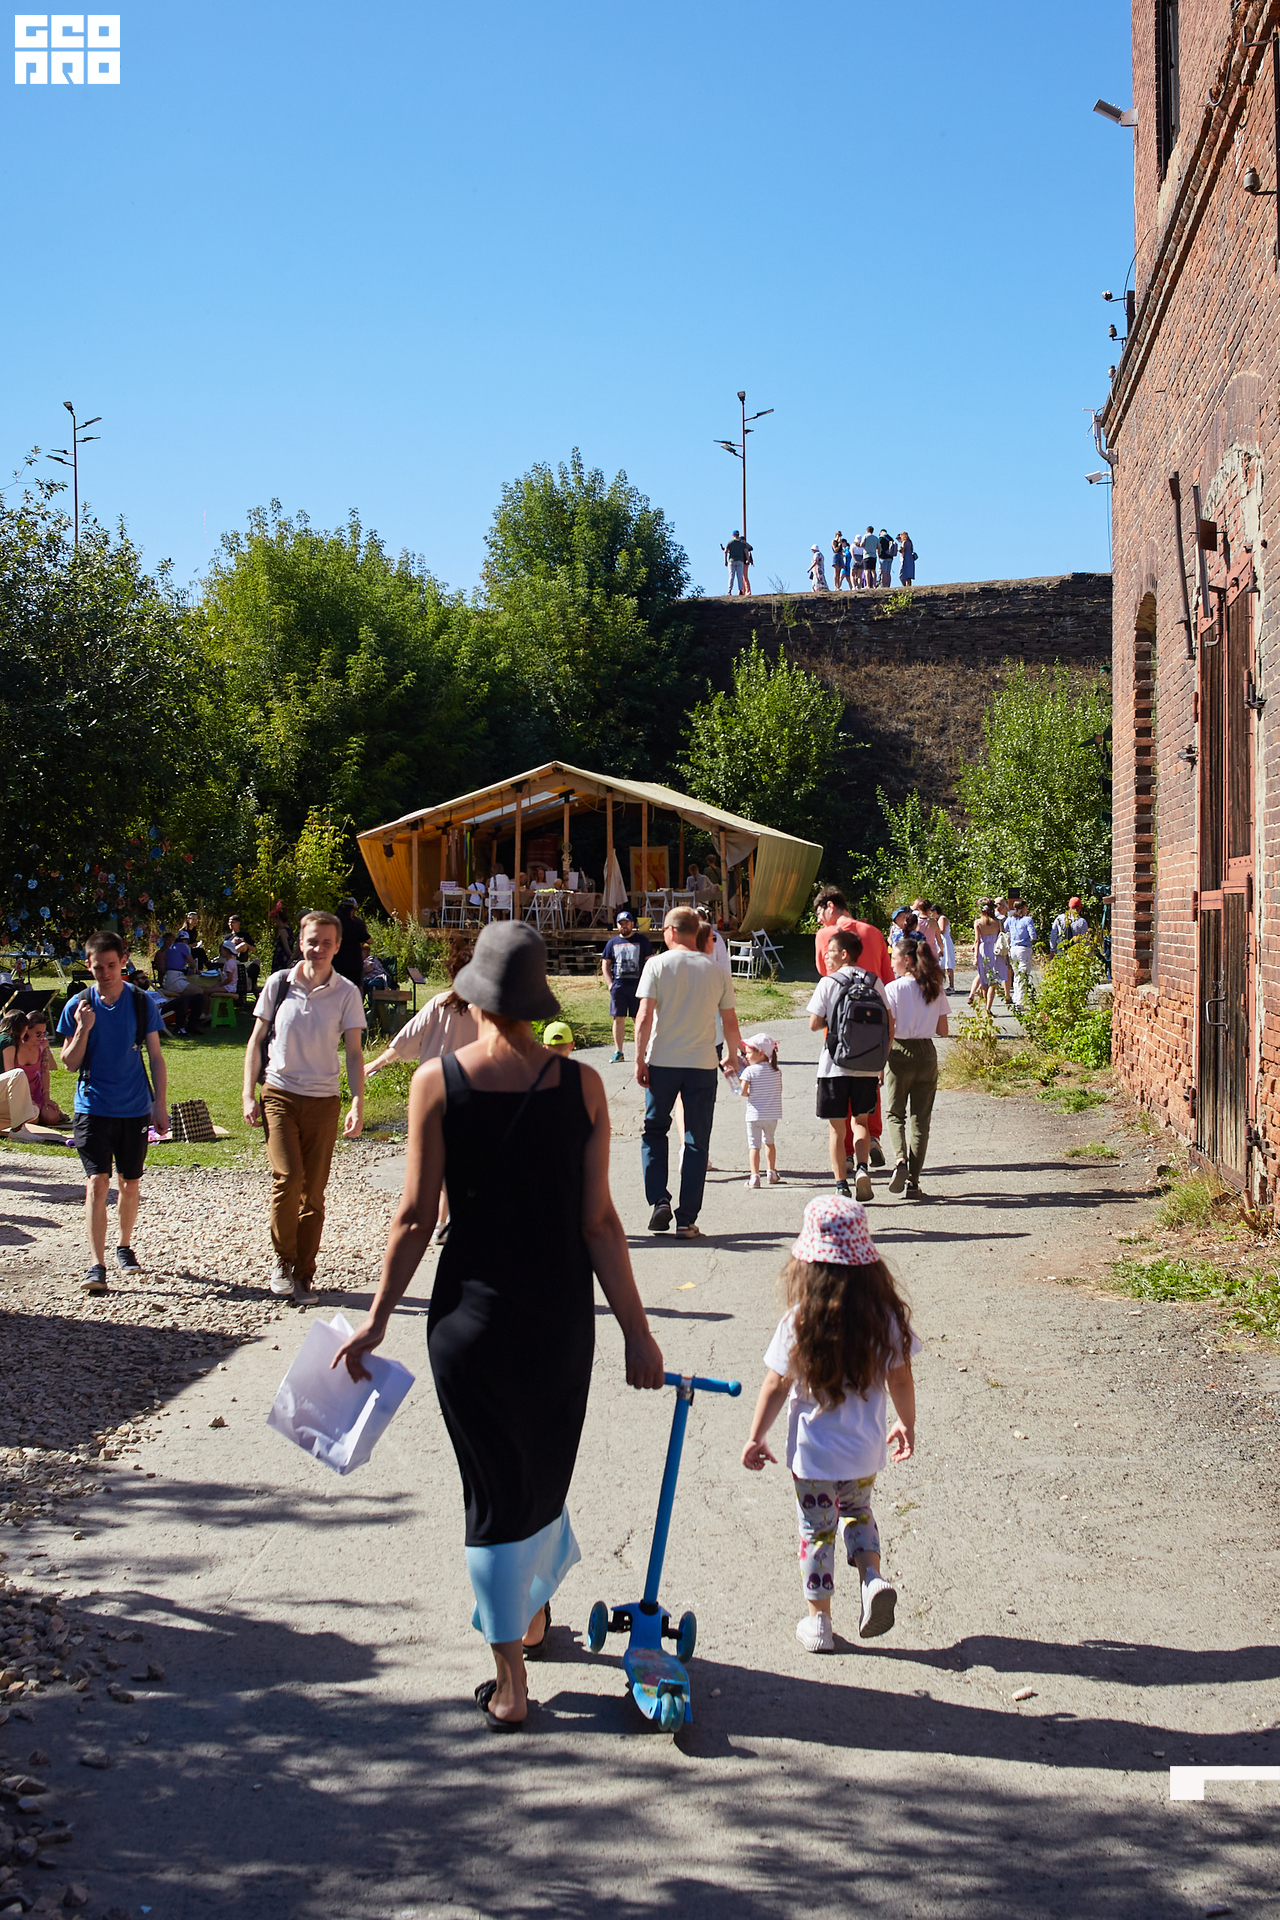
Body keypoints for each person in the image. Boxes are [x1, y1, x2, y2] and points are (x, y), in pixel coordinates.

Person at [332, 921, 665, 1730]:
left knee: (492, 1489)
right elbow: (600, 1225)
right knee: (541, 1474)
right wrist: (637, 1330)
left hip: (469, 1323)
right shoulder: (584, 1086)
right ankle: (534, 1611)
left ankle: (511, 1679)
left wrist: (377, 1318)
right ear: (535, 1000)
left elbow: (414, 1219)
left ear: (470, 998)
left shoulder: (437, 1084)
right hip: (560, 1321)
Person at [741, 1196, 918, 1653]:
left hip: (814, 1457)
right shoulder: (885, 1318)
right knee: (858, 1513)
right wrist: (906, 1423)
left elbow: (776, 1384)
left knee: (816, 1531)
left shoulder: (800, 1321)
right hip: (863, 1452)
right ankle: (872, 1577)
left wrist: (756, 1436)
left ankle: (819, 1622)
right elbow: (900, 1376)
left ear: (807, 1265)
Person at [242, 909, 366, 1301]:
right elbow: (255, 1039)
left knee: (313, 1192)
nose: (318, 949)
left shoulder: (347, 992)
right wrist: (249, 1092)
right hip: (279, 1093)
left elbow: (354, 1053)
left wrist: (357, 1102)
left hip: (324, 1100)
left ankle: (304, 1272)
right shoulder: (279, 984)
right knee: (288, 1178)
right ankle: (283, 1259)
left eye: (327, 942)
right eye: (312, 941)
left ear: (338, 946)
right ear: (300, 942)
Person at [56, 930, 168, 1296]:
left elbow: (155, 1056)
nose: (105, 972)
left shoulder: (140, 1002)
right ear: (88, 966)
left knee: (129, 1184)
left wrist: (159, 1104)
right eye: (97, 966)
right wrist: (83, 1030)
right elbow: (69, 1063)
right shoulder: (78, 1005)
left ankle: (124, 1245)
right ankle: (96, 1263)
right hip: (92, 1106)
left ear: (123, 961)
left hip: (134, 1106)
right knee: (96, 1183)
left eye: (111, 965)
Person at [634, 905, 744, 1238]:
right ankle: (686, 1219)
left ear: (669, 931)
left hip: (663, 1060)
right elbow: (730, 1022)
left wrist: (639, 1059)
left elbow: (644, 1017)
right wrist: (734, 1057)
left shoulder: (656, 964)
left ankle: (659, 1201)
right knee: (697, 1140)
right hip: (702, 1063)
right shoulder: (716, 970)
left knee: (654, 1131)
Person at [807, 927, 894, 1203]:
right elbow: (888, 1023)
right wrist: (881, 1060)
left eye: (830, 951)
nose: (826, 955)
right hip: (868, 1064)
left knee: (837, 1128)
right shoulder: (874, 981)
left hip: (835, 1066)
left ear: (844, 954)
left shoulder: (829, 982)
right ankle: (862, 1168)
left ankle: (841, 1183)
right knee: (861, 1122)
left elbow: (814, 1023)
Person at [812, 886, 890, 1168]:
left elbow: (826, 976)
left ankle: (846, 1152)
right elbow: (889, 979)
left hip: (839, 1025)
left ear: (830, 906)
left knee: (840, 1083)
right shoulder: (875, 933)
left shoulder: (827, 936)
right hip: (875, 1024)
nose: (820, 921)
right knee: (870, 1079)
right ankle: (873, 1138)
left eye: (819, 913)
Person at [883, 935, 949, 1199]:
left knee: (894, 1113)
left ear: (906, 960)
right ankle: (914, 1181)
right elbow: (943, 1030)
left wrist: (880, 1063)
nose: (891, 963)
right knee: (920, 1119)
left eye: (894, 958)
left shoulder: (893, 989)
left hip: (899, 1050)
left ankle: (900, 1160)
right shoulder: (934, 987)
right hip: (926, 1053)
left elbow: (889, 1030)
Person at [601, 909, 652, 1064]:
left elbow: (649, 961)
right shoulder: (612, 943)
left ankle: (642, 1051)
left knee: (639, 1019)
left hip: (638, 986)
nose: (624, 926)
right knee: (618, 1018)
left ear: (632, 924)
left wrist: (648, 983)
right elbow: (605, 963)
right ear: (618, 925)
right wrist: (610, 984)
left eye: (627, 923)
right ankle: (619, 1051)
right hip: (619, 986)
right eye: (621, 924)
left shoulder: (642, 940)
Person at [1, 1007, 68, 1125]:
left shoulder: (43, 1045)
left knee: (51, 1118)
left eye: (44, 1033)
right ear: (26, 1029)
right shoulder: (13, 1045)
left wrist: (46, 1097)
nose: (42, 1037)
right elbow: (10, 1074)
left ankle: (41, 1112)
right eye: (38, 1034)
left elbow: (45, 1071)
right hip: (18, 1091)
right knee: (33, 1119)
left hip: (35, 1089)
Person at [739, 1029, 783, 1188]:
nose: (746, 1056)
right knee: (769, 1142)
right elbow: (779, 1089)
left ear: (760, 1053)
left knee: (754, 1145)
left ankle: (755, 1176)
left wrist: (750, 1092)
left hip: (753, 1115)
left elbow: (743, 1092)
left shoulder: (749, 1071)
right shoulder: (776, 1071)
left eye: (749, 1052)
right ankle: (771, 1172)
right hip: (772, 1115)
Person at [970, 899, 1009, 1012]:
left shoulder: (978, 923)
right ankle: (988, 1007)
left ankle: (985, 1004)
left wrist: (975, 957)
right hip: (996, 950)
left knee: (984, 980)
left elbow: (977, 941)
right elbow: (1002, 937)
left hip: (983, 950)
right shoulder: (998, 922)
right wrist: (1006, 956)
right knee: (994, 980)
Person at [222, 916, 261, 1007]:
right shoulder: (227, 937)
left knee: (256, 963)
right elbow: (223, 950)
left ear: (238, 923)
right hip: (231, 961)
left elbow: (254, 949)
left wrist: (244, 943)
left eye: (233, 922)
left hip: (243, 961)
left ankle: (253, 988)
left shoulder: (245, 935)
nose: (230, 924)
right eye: (229, 922)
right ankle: (253, 989)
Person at [1005, 898, 1036, 1007]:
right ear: (1023, 908)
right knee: (1024, 974)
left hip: (1013, 948)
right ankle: (1021, 999)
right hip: (1024, 948)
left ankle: (1016, 996)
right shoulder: (1027, 920)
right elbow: (1033, 935)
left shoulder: (1010, 919)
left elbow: (1004, 929)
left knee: (1016, 972)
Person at [334, 898, 369, 990]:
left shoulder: (333, 923)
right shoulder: (357, 923)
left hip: (336, 959)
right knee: (356, 987)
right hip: (353, 961)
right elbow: (369, 940)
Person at [933, 903, 957, 992]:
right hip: (941, 941)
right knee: (942, 964)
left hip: (945, 941)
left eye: (933, 912)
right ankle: (941, 985)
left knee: (948, 963)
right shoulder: (938, 919)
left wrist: (934, 929)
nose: (932, 914)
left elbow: (942, 930)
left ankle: (951, 986)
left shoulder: (942, 918)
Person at [268, 902, 295, 974]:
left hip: (281, 959)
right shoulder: (290, 930)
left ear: (279, 919)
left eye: (275, 920)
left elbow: (286, 947)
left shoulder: (283, 931)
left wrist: (292, 958)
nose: (274, 922)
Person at [724, 530, 750, 595]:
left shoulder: (730, 542)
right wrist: (748, 560)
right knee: (740, 576)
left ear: (733, 535)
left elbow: (725, 551)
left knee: (731, 576)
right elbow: (746, 552)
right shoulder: (742, 544)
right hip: (740, 561)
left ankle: (729, 591)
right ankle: (740, 590)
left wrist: (725, 561)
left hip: (731, 561)